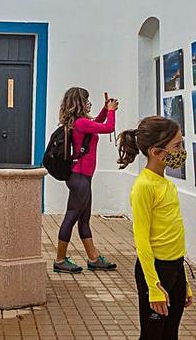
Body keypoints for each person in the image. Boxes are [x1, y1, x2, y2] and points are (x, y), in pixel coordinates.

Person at [117, 116, 193, 340]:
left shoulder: (167, 184)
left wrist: (184, 283)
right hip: (156, 271)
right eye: (177, 146)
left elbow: (174, 238)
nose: (182, 151)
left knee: (170, 334)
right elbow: (141, 240)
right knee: (152, 336)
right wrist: (153, 285)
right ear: (156, 153)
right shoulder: (144, 187)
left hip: (175, 269)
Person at [53, 87, 118, 274]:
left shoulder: (81, 123)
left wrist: (106, 110)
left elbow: (97, 123)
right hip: (79, 177)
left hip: (82, 177)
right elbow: (108, 127)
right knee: (72, 216)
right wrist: (111, 111)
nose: (89, 103)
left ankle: (94, 258)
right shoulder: (80, 123)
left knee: (84, 219)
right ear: (80, 102)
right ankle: (59, 260)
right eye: (86, 100)